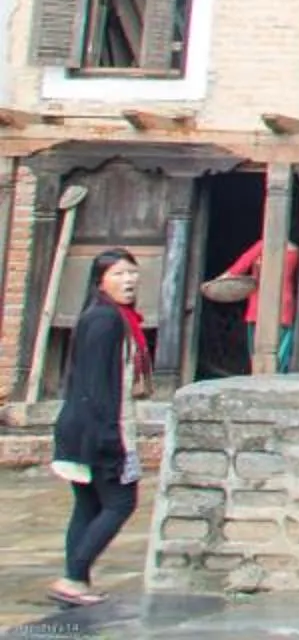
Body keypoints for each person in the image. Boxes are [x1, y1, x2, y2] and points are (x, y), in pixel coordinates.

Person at [49, 249, 145, 608]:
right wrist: (109, 439)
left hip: (81, 424)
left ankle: (78, 580)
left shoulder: (108, 316)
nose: (129, 281)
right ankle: (73, 576)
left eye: (132, 273)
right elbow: (97, 385)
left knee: (88, 505)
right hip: (99, 429)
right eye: (119, 274)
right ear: (100, 280)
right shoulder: (106, 320)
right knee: (121, 501)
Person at [207, 240, 299, 374]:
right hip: (285, 305)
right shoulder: (296, 251)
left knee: (257, 349)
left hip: (259, 304)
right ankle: (276, 376)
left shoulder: (263, 245)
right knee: (281, 349)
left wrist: (217, 282)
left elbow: (239, 267)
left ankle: (259, 376)